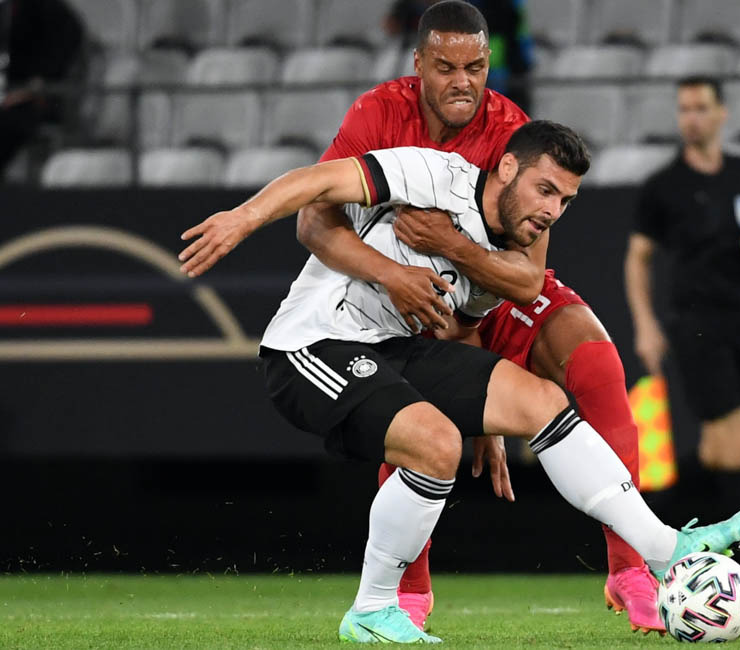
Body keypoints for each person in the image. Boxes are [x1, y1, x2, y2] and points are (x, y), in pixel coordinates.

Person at [178, 0, 667, 635]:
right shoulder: (383, 117)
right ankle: (401, 594)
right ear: (418, 64)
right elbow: (314, 221)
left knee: (595, 365)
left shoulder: (512, 135)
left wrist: (451, 251)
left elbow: (525, 277)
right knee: (421, 427)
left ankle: (636, 566)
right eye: (446, 67)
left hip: (482, 288)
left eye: (476, 67)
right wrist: (391, 273)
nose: (463, 82)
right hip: (405, 299)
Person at [183, 120, 740, 644]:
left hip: (394, 348)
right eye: (544, 190)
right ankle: (373, 607)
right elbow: (318, 182)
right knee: (436, 445)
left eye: (565, 200)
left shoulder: (503, 260)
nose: (552, 211)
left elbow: (459, 330)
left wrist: (485, 418)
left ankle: (664, 548)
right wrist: (243, 218)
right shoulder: (434, 175)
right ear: (506, 167)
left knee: (541, 400)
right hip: (312, 345)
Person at [625, 76, 740, 534]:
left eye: (700, 108)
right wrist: (645, 325)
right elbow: (638, 258)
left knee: (717, 446)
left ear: (721, 113)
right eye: (684, 109)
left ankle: (659, 527)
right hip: (694, 321)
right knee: (738, 433)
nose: (691, 118)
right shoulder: (663, 185)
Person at [0, 0, 84, 176]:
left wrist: (41, 80)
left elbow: (69, 38)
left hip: (37, 98)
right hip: (10, 93)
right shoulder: (6, 11)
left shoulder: (48, 9)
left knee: (8, 124)